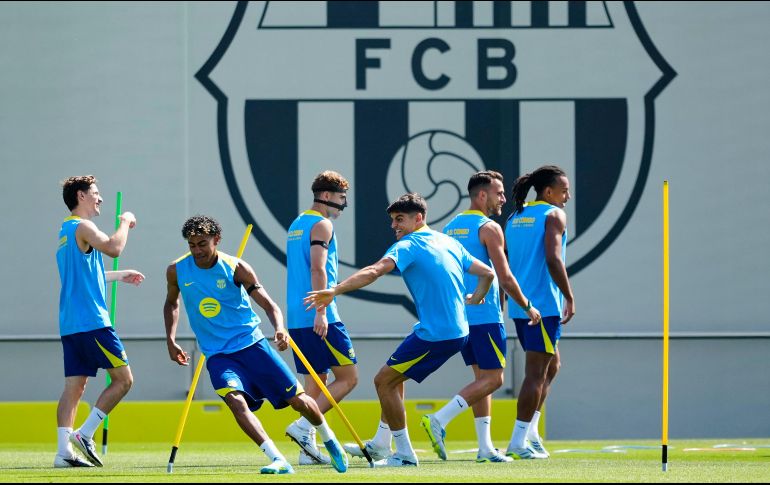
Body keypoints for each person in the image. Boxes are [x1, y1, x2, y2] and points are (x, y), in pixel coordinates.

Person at [304, 193, 495, 467]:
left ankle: (404, 454)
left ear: (419, 218)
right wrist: (477, 297)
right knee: (395, 378)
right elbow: (487, 273)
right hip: (453, 331)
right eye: (393, 220)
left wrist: (334, 290)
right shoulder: (447, 241)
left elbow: (374, 271)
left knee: (384, 381)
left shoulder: (409, 244)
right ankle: (382, 442)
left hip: (438, 334)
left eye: (400, 219)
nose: (395, 225)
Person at [163, 215, 348, 474]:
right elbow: (172, 302)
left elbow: (269, 305)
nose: (197, 250)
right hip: (218, 354)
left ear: (216, 240)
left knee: (298, 401)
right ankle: (276, 458)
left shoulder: (236, 267)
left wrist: (280, 328)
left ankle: (329, 441)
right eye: (192, 245)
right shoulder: (177, 270)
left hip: (252, 345)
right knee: (234, 401)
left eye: (202, 243)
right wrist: (170, 340)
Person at [422, 171, 542, 463]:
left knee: (481, 379)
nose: (504, 198)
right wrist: (527, 306)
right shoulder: (489, 227)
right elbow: (505, 276)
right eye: (499, 193)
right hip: (484, 315)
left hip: (460, 317)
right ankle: (439, 418)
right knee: (494, 379)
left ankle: (485, 448)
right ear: (482, 195)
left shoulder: (450, 227)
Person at [55, 175, 145, 468]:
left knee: (75, 387)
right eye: (95, 193)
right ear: (80, 196)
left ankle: (63, 454)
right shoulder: (84, 226)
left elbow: (84, 278)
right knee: (124, 380)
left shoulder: (65, 232)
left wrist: (120, 276)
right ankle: (85, 433)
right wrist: (125, 221)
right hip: (92, 322)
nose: (100, 198)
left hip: (71, 324)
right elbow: (114, 247)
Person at [284, 171, 358, 466]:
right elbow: (318, 269)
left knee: (316, 382)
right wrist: (322, 311)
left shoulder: (296, 224)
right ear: (326, 196)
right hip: (319, 314)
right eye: (341, 199)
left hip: (296, 316)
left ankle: (307, 452)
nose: (344, 205)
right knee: (349, 378)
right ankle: (303, 429)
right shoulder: (321, 224)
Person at [504, 165, 576, 459]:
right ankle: (518, 441)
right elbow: (552, 258)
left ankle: (530, 432)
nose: (568, 196)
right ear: (548, 192)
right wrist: (569, 297)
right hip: (544, 306)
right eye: (564, 190)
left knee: (552, 365)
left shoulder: (516, 216)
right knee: (535, 374)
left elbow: (507, 261)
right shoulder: (553, 214)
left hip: (522, 306)